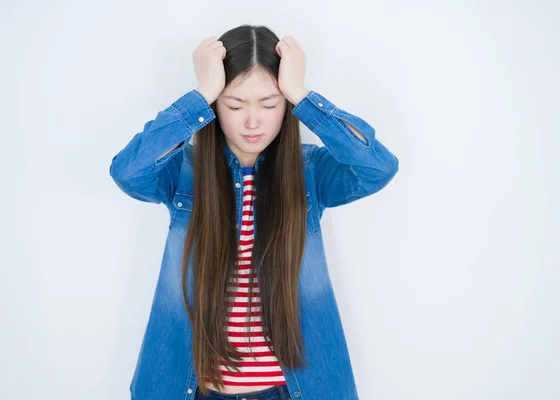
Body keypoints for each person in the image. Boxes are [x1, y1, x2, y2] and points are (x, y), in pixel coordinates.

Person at [109, 24, 398, 400]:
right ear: (215, 107)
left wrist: (302, 94)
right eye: (233, 104)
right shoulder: (183, 172)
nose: (252, 121)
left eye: (269, 103)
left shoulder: (309, 171)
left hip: (293, 391)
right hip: (192, 390)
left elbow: (378, 167)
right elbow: (128, 171)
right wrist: (200, 95)